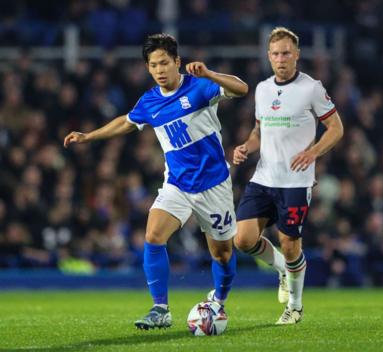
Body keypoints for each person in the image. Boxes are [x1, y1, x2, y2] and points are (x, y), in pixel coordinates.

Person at [64, 33, 248, 329]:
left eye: (164, 63)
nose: (160, 70)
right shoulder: (149, 101)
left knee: (223, 254)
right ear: (148, 69)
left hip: (213, 184)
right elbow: (126, 121)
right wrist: (89, 136)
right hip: (177, 183)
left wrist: (210, 73)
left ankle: (219, 299)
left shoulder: (199, 88)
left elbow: (241, 89)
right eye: (153, 65)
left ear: (177, 62)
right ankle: (160, 308)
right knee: (153, 235)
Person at [232, 27, 344, 324]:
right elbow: (259, 131)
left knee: (291, 243)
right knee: (242, 240)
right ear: (268, 56)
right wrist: (246, 146)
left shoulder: (312, 88)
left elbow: (336, 128)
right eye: (275, 53)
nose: (281, 58)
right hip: (264, 177)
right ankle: (282, 268)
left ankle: (294, 307)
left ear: (296, 55)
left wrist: (313, 153)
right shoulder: (263, 88)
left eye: (286, 53)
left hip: (296, 181)